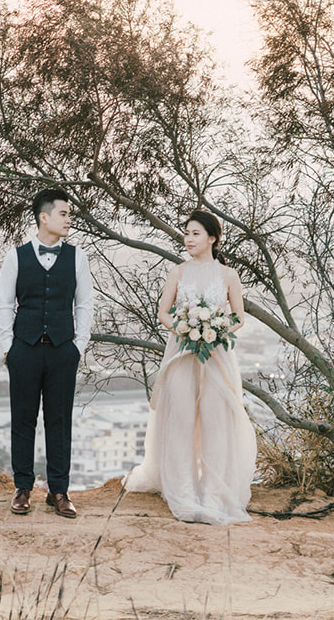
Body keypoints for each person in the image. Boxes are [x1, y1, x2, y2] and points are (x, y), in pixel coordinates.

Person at [124, 209, 257, 525]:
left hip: (216, 355)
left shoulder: (228, 276)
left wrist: (216, 328)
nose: (188, 239)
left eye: (195, 233)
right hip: (181, 352)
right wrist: (184, 329)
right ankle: (183, 493)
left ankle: (212, 494)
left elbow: (238, 316)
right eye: (186, 233)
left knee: (215, 421)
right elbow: (163, 312)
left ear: (212, 238)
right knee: (181, 419)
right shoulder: (178, 272)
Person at [0, 187, 94, 519]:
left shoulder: (77, 257)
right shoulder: (15, 256)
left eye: (69, 214)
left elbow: (84, 304)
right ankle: (22, 488)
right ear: (44, 217)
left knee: (59, 420)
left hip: (63, 350)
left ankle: (59, 492)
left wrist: (78, 345)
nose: (69, 220)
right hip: (24, 348)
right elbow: (6, 304)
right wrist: (9, 346)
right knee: (23, 420)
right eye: (63, 214)